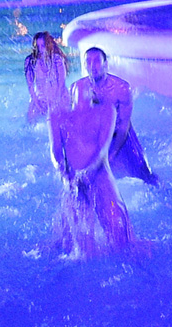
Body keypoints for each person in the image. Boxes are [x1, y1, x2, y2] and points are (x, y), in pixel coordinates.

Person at [49, 80, 132, 256]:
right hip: (73, 179)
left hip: (100, 176)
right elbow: (55, 151)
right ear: (71, 94)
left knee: (120, 240)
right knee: (77, 249)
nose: (81, 87)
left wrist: (87, 172)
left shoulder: (106, 111)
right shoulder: (58, 116)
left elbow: (103, 149)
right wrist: (63, 172)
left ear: (93, 93)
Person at [72, 46, 159, 184]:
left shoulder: (121, 89)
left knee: (144, 177)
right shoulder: (77, 88)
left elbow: (123, 128)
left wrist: (109, 156)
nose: (92, 66)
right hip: (96, 139)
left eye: (97, 61)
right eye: (88, 61)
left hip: (121, 138)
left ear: (106, 64)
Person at [25, 31, 72, 122]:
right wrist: (37, 102)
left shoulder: (57, 59)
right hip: (40, 98)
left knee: (64, 122)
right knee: (30, 122)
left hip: (59, 96)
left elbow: (61, 82)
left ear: (48, 46)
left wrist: (56, 102)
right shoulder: (31, 61)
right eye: (38, 47)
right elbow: (30, 85)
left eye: (43, 46)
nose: (40, 49)